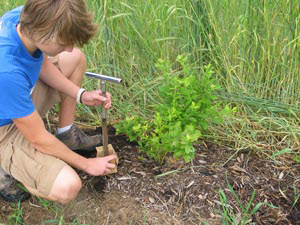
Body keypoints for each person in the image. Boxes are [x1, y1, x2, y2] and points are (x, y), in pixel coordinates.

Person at [0, 0, 117, 204]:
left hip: (14, 100)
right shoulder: (7, 71)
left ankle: (66, 134)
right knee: (68, 187)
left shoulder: (24, 20)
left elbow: (40, 62)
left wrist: (81, 94)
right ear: (40, 33)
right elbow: (38, 138)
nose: (68, 48)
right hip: (5, 129)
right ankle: (6, 167)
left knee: (76, 59)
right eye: (63, 43)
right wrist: (86, 164)